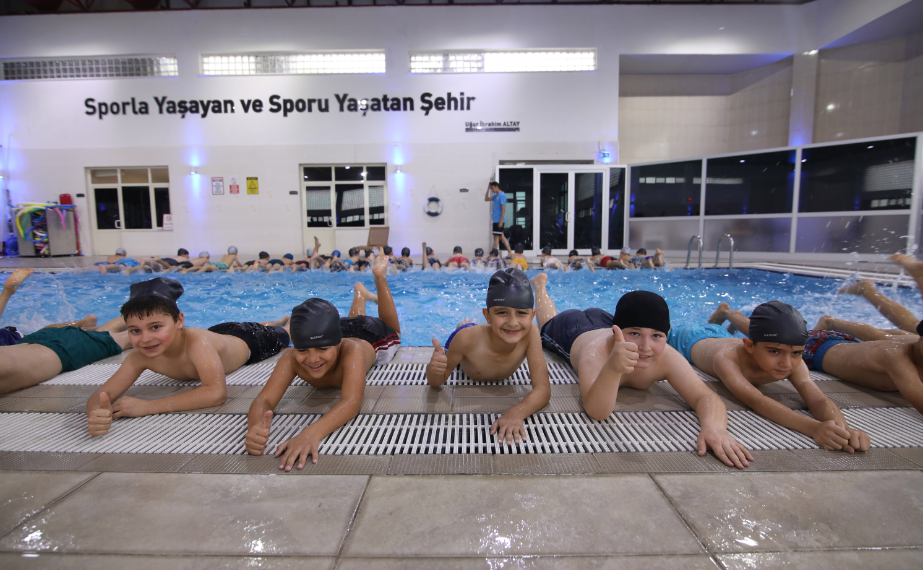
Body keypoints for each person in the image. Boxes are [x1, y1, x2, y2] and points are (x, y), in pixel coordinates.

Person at [531, 275, 751, 467]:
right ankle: (540, 287)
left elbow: (705, 396)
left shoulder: (666, 356)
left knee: (640, 325)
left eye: (656, 336)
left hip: (606, 319)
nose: (645, 346)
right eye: (635, 334)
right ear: (616, 333)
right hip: (572, 328)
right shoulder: (595, 355)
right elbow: (597, 412)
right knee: (547, 323)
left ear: (666, 335)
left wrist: (715, 428)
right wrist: (613, 368)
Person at [244, 256, 401, 468]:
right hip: (335, 329)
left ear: (337, 345)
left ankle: (380, 279)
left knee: (394, 330)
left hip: (370, 333)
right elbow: (264, 400)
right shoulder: (292, 357)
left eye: (322, 350)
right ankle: (360, 294)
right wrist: (255, 427)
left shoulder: (351, 351)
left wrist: (311, 433)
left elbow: (350, 402)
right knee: (346, 322)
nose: (312, 358)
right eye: (302, 350)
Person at [85, 277, 290, 435]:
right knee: (244, 325)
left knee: (287, 334)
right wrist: (96, 414)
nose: (145, 339)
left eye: (155, 327)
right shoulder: (139, 357)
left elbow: (216, 394)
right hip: (219, 332)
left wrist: (147, 406)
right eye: (135, 331)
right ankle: (270, 321)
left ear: (179, 321)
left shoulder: (197, 343)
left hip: (252, 340)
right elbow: (100, 395)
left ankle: (280, 325)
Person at [671, 301, 870, 454]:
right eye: (775, 352)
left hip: (721, 336)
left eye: (796, 353)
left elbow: (817, 398)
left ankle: (726, 315)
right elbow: (757, 401)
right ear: (749, 346)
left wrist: (843, 429)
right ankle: (724, 315)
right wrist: (815, 428)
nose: (787, 363)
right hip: (688, 339)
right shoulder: (727, 360)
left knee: (718, 329)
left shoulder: (792, 361)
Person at [426, 267, 551, 444]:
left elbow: (543, 389)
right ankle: (463, 325)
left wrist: (516, 412)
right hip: (467, 336)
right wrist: (434, 369)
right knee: (464, 329)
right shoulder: (466, 340)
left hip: (485, 333)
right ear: (488, 316)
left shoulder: (531, 334)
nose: (513, 322)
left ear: (532, 316)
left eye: (522, 313)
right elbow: (436, 382)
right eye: (502, 312)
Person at [0, 268, 132, 394]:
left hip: (59, 348)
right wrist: (7, 291)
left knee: (134, 335)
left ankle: (145, 314)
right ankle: (139, 315)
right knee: (104, 335)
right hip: (32, 343)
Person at [485, 181, 513, 255]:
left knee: (497, 237)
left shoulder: (502, 195)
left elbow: (503, 209)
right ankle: (509, 252)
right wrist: (487, 189)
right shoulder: (496, 195)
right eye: (491, 189)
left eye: (492, 188)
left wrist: (501, 221)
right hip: (496, 220)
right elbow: (486, 199)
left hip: (499, 220)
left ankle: (493, 253)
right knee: (500, 237)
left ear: (497, 186)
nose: (492, 190)